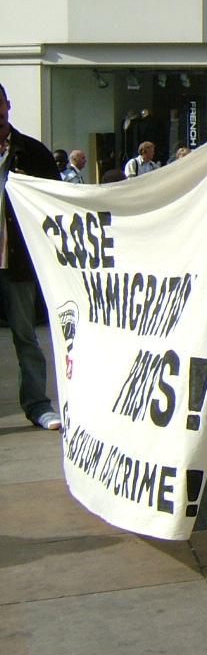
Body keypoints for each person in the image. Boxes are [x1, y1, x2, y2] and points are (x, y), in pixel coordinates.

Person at [0, 85, 63, 430]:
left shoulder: (32, 153)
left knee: (26, 337)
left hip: (19, 264)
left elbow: (58, 202)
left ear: (8, 105)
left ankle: (38, 404)